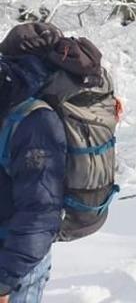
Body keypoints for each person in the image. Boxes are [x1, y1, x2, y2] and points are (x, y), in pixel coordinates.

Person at [0, 26, 66, 303]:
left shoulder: (37, 121)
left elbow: (41, 210)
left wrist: (4, 280)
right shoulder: (10, 108)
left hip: (17, 267)